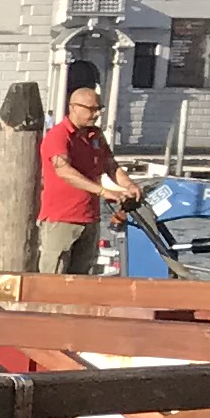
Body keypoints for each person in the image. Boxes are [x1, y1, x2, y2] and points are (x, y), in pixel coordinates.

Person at [39, 70, 140, 273]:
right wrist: (103, 191)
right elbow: (64, 171)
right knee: (54, 274)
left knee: (84, 273)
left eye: (99, 109)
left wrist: (129, 185)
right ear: (73, 108)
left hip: (90, 218)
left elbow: (110, 165)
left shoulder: (96, 135)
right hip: (62, 218)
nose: (96, 114)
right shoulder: (59, 135)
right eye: (91, 109)